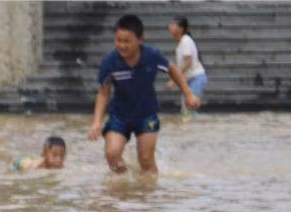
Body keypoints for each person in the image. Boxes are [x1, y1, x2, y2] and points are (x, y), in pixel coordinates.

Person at [88, 14, 201, 174]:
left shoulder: (151, 56)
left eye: (127, 41)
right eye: (118, 40)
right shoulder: (110, 62)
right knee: (112, 155)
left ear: (141, 40)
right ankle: (125, 188)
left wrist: (189, 94)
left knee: (146, 160)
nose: (122, 45)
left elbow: (172, 69)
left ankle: (149, 194)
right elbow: (103, 93)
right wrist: (97, 122)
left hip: (146, 114)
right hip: (119, 115)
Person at [166, 16, 207, 115]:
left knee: (189, 110)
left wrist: (173, 80)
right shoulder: (181, 43)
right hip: (189, 81)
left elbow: (188, 63)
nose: (169, 27)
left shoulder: (186, 41)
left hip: (196, 79)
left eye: (172, 25)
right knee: (186, 111)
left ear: (180, 29)